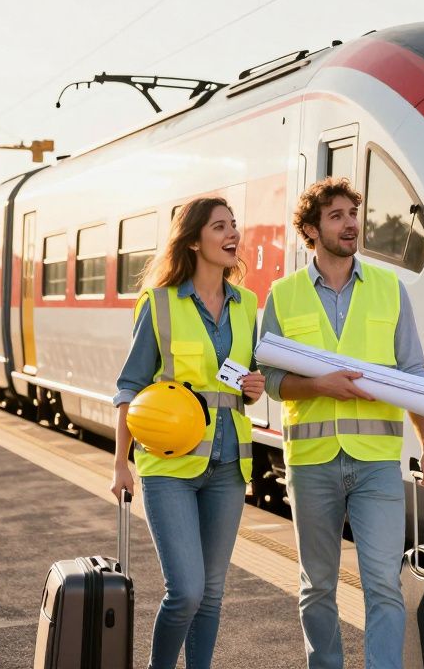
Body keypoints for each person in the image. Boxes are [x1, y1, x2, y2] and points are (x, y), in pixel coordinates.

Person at [259, 177, 424, 669]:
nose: (349, 224)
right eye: (336, 215)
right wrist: (318, 386)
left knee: (383, 583)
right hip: (312, 463)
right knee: (317, 585)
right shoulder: (284, 295)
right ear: (312, 228)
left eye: (352, 214)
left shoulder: (391, 290)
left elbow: (414, 376)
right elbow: (272, 379)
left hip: (377, 464)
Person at [109, 196, 265, 669]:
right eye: (220, 226)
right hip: (169, 466)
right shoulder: (158, 303)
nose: (232, 233)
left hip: (228, 466)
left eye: (234, 224)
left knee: (213, 594)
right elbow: (130, 386)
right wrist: (120, 462)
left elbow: (243, 380)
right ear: (195, 240)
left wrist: (254, 389)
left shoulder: (247, 304)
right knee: (187, 592)